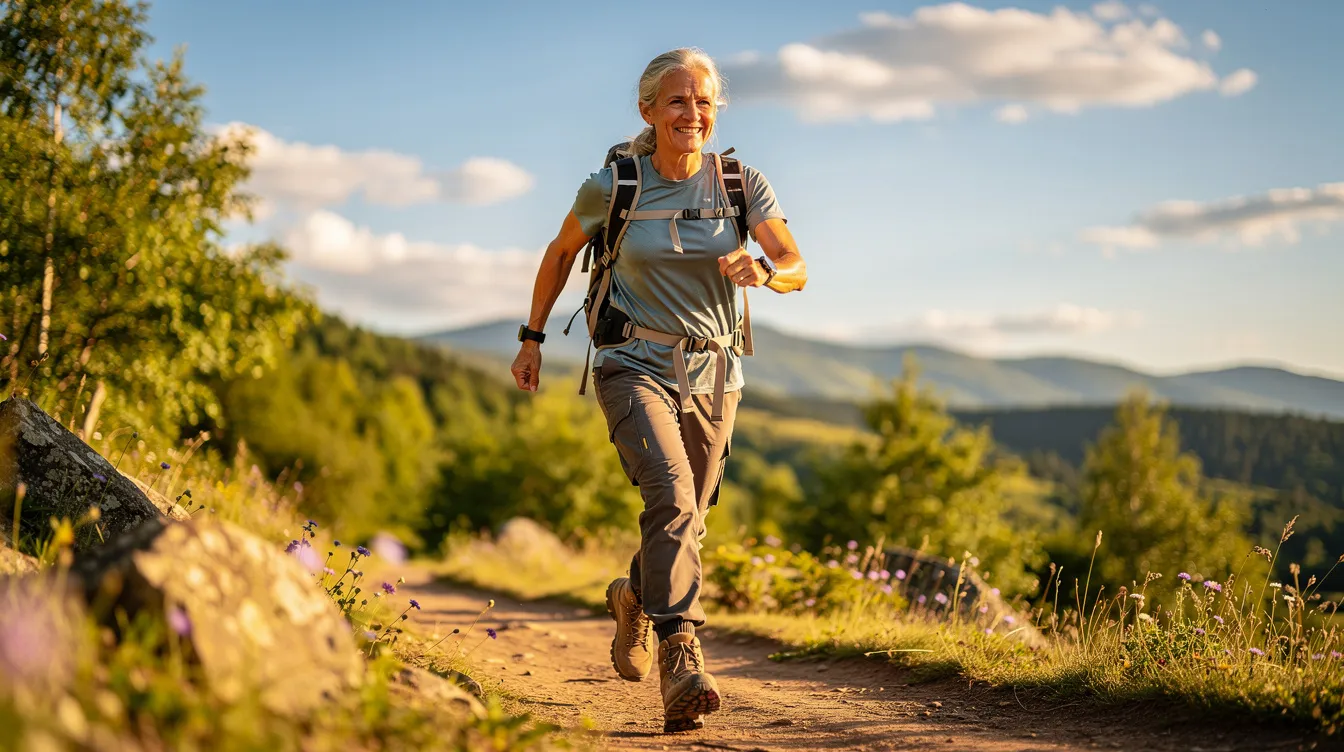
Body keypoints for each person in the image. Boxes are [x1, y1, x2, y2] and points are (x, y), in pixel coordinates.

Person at [509, 47, 807, 733]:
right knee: (671, 494)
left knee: (689, 516)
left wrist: (764, 269)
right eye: (678, 100)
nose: (692, 112)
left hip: (715, 373)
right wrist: (532, 338)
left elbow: (796, 263)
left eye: (703, 100)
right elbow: (558, 254)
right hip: (629, 363)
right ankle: (681, 652)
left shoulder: (740, 184)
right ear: (648, 110)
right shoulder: (615, 185)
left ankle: (634, 598)